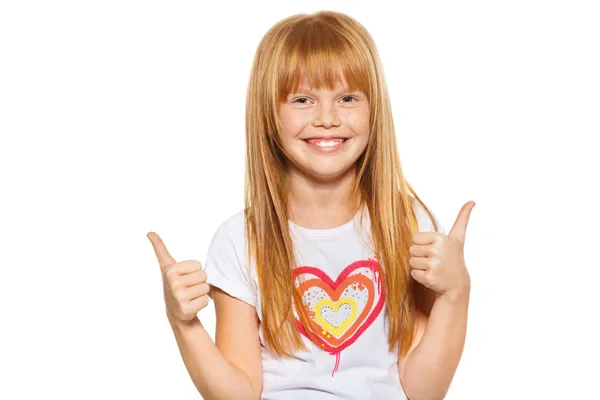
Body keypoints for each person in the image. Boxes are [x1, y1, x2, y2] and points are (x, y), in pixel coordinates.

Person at [147, 10, 475, 400]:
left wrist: (457, 293)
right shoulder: (239, 240)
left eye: (348, 97)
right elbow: (239, 393)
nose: (327, 118)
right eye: (303, 99)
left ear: (374, 111)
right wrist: (183, 324)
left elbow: (424, 391)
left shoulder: (406, 223)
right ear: (269, 116)